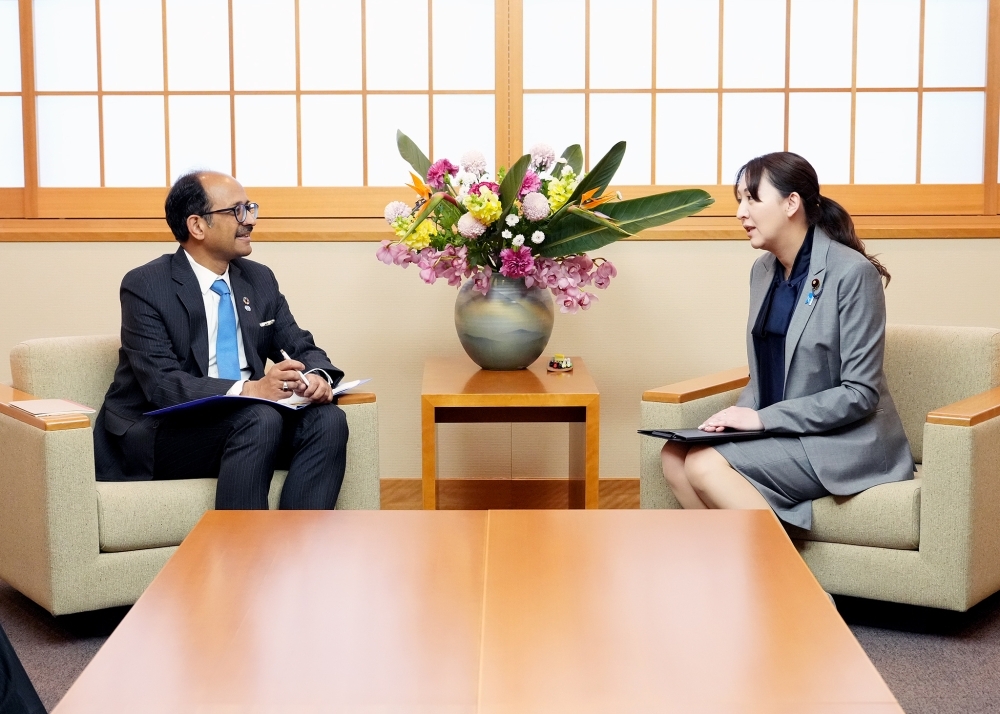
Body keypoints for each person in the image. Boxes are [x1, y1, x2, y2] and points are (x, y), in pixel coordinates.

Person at [660, 152, 913, 529]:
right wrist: (733, 418)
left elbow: (859, 394)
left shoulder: (853, 274)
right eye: (739, 201)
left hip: (843, 439)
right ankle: (732, 574)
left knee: (704, 464)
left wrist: (761, 419)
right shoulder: (763, 271)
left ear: (791, 203)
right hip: (783, 431)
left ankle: (789, 583)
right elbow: (766, 372)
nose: (740, 213)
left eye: (751, 199)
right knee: (673, 456)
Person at [93, 171, 349, 510]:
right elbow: (161, 384)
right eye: (237, 210)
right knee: (260, 418)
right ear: (197, 226)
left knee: (328, 420)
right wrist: (250, 390)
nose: (250, 220)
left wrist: (316, 377)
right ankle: (241, 557)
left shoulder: (258, 279)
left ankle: (298, 552)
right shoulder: (146, 285)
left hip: (249, 424)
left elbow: (300, 345)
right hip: (163, 430)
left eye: (251, 208)